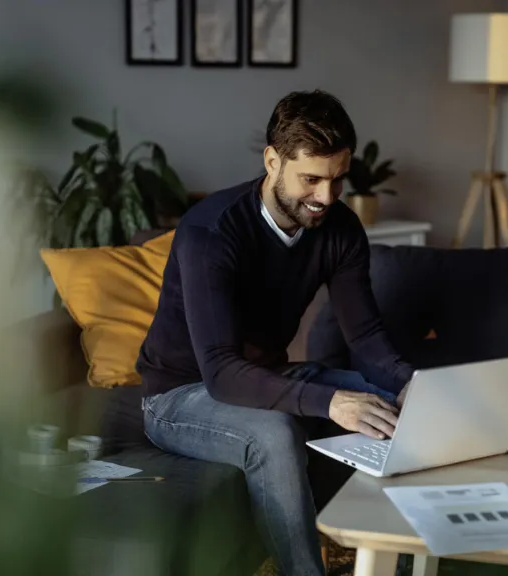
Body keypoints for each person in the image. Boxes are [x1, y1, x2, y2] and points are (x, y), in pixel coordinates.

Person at [137, 90, 415, 575]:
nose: (326, 197)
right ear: (273, 160)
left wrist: (410, 384)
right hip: (180, 395)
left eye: (337, 179)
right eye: (311, 179)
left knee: (388, 403)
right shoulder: (212, 233)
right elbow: (221, 374)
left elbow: (366, 339)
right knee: (276, 432)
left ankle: (391, 564)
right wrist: (329, 402)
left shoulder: (341, 230)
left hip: (267, 377)